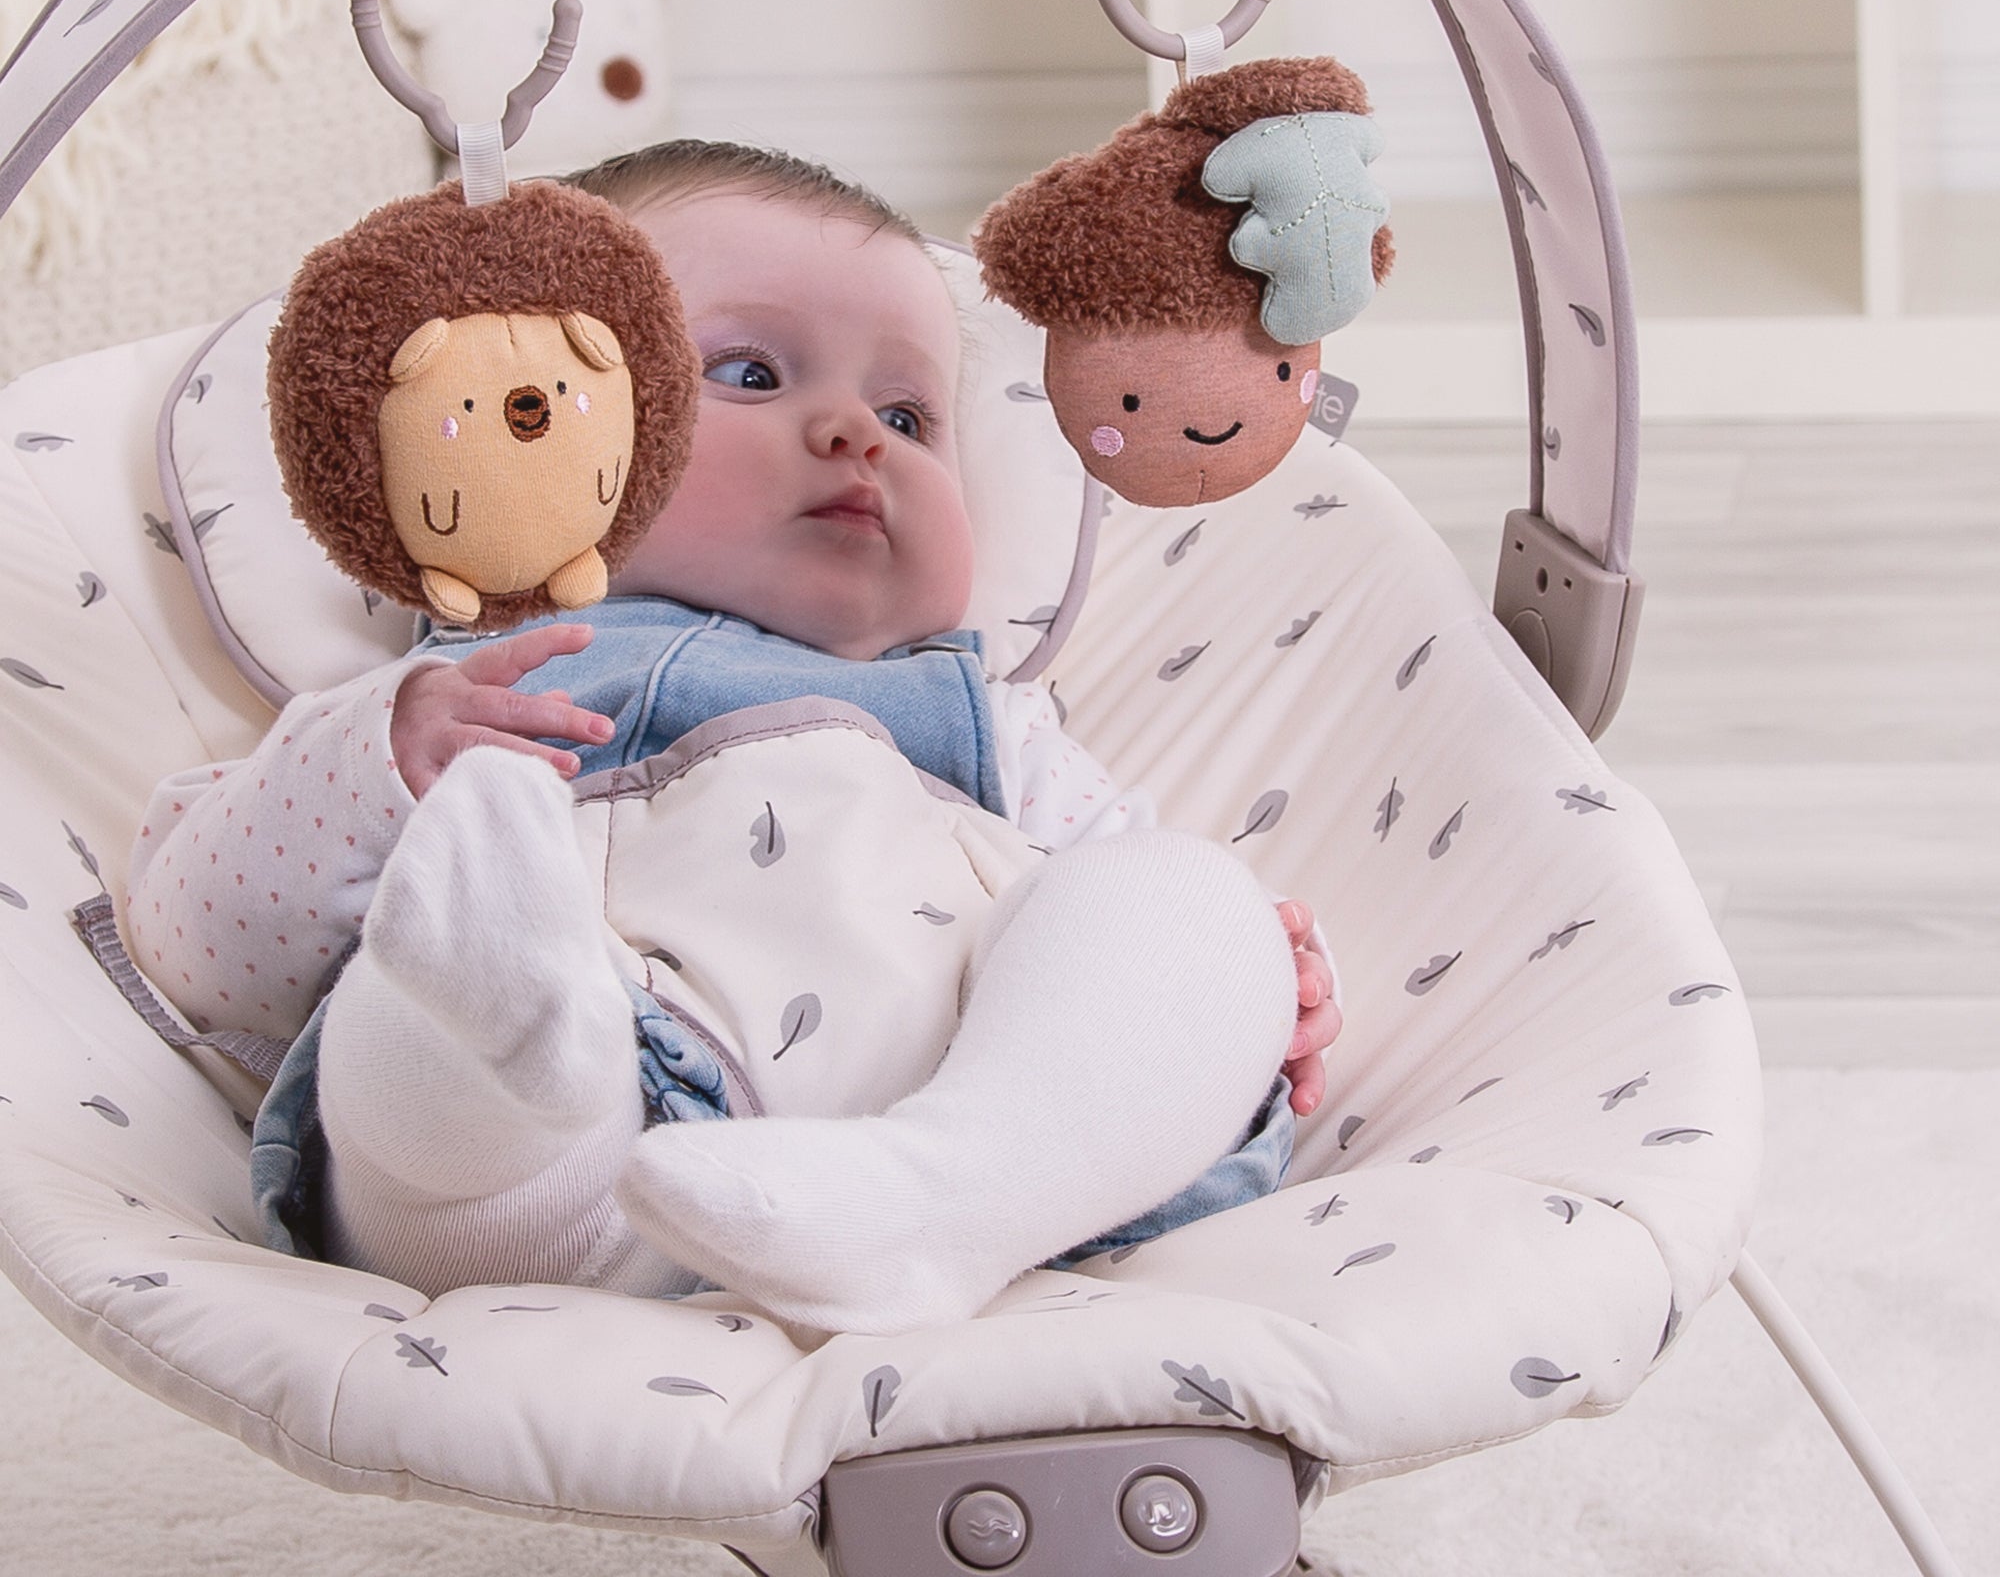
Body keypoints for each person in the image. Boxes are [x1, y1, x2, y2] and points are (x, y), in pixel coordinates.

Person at [124, 141, 1341, 1335]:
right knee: (433, 1013)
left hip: (955, 1105)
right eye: (752, 375)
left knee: (1176, 897)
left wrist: (1247, 970)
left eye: (909, 413)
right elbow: (196, 943)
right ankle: (506, 1041)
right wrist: (379, 760)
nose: (855, 432)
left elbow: (1117, 921)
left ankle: (945, 1195)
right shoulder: (453, 692)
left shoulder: (989, 721)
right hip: (582, 1173)